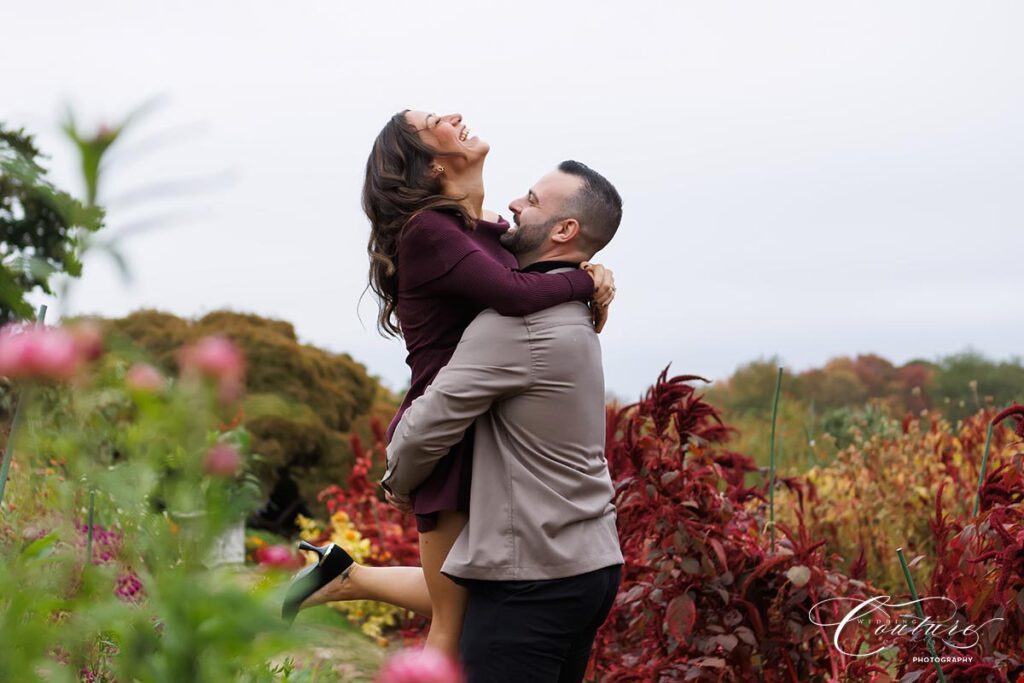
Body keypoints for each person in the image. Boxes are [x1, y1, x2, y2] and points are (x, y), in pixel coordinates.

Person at [281, 112, 615, 659]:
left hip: (480, 428)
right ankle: (345, 580)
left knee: (459, 594)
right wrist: (586, 278)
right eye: (437, 121)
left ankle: (343, 576)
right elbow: (515, 294)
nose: (457, 117)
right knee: (452, 622)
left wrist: (584, 272)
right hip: (444, 432)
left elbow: (530, 268)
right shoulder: (430, 232)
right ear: (433, 163)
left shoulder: (474, 230)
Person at [382, 160, 625, 683]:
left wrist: (398, 483)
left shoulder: (517, 327)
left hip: (534, 579)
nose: (516, 205)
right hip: (593, 562)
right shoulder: (575, 309)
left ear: (564, 231)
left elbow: (430, 424)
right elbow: (481, 226)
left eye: (533, 200)